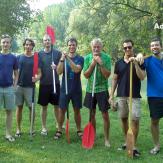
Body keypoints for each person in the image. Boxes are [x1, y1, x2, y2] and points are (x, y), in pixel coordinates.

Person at [109, 39, 145, 157]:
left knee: (134, 120)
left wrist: (135, 63)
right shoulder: (119, 63)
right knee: (124, 118)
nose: (128, 50)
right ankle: (127, 141)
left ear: (133, 47)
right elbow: (114, 79)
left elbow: (142, 77)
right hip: (121, 95)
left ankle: (133, 145)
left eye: (129, 47)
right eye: (125, 48)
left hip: (134, 96)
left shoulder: (139, 60)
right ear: (123, 49)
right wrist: (111, 95)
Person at [136, 38, 163, 155]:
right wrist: (138, 57)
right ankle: (156, 146)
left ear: (161, 46)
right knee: (155, 121)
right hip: (155, 96)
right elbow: (142, 77)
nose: (154, 47)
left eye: (156, 45)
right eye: (152, 46)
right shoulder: (147, 60)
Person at [83, 38, 111, 147]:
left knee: (105, 115)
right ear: (91, 47)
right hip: (90, 90)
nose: (96, 49)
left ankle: (107, 139)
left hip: (102, 90)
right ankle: (92, 137)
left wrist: (101, 64)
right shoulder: (87, 58)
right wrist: (92, 64)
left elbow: (107, 75)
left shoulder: (107, 58)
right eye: (94, 47)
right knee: (91, 114)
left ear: (101, 47)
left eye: (98, 47)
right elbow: (86, 75)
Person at [54, 38, 84, 139]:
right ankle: (59, 129)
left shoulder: (80, 58)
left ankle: (79, 129)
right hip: (64, 89)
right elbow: (58, 72)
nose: (71, 47)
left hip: (76, 89)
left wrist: (68, 59)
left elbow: (76, 69)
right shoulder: (63, 58)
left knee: (77, 110)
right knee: (61, 109)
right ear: (67, 46)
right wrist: (62, 59)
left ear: (76, 46)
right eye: (70, 45)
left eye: (73, 45)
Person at [15, 38, 41, 137]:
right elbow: (15, 72)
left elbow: (39, 73)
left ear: (32, 46)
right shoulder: (19, 57)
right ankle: (18, 129)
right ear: (24, 45)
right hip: (19, 86)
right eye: (26, 44)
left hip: (30, 87)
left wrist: (37, 78)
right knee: (19, 107)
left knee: (32, 108)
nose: (28, 46)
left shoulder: (35, 58)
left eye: (30, 45)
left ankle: (32, 128)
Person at [38, 34, 62, 136]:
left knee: (56, 106)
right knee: (44, 107)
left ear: (51, 41)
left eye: (48, 40)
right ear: (43, 42)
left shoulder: (57, 53)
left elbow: (61, 68)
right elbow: (37, 69)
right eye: (45, 40)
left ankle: (58, 124)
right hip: (44, 84)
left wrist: (56, 67)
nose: (47, 42)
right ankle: (44, 127)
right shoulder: (39, 54)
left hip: (55, 84)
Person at [0, 34, 18, 142]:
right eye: (3, 42)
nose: (5, 44)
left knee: (9, 112)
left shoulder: (13, 58)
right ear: (1, 43)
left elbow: (16, 73)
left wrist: (14, 86)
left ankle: (8, 134)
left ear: (10, 44)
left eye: (7, 42)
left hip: (9, 88)